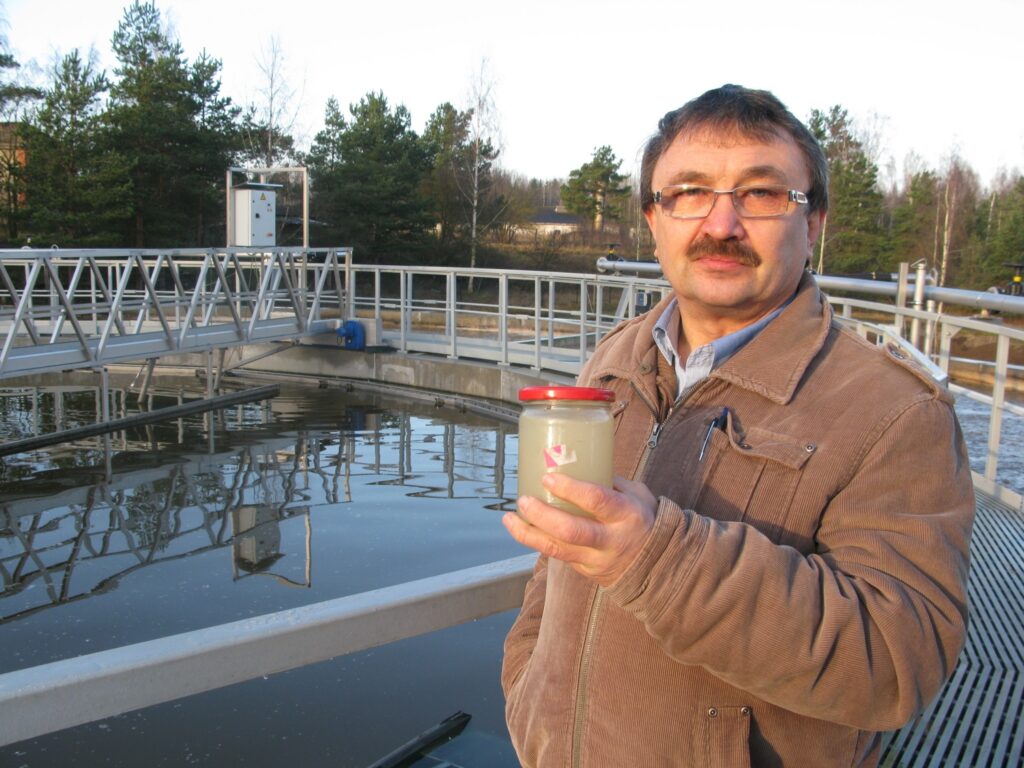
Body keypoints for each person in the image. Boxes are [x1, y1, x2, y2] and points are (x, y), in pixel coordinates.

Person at [501, 84, 975, 767]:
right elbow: (559, 563)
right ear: (654, 220)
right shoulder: (615, 358)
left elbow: (897, 664)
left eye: (761, 194)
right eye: (689, 192)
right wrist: (528, 686)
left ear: (812, 224)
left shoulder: (894, 412)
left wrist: (657, 558)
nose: (721, 224)